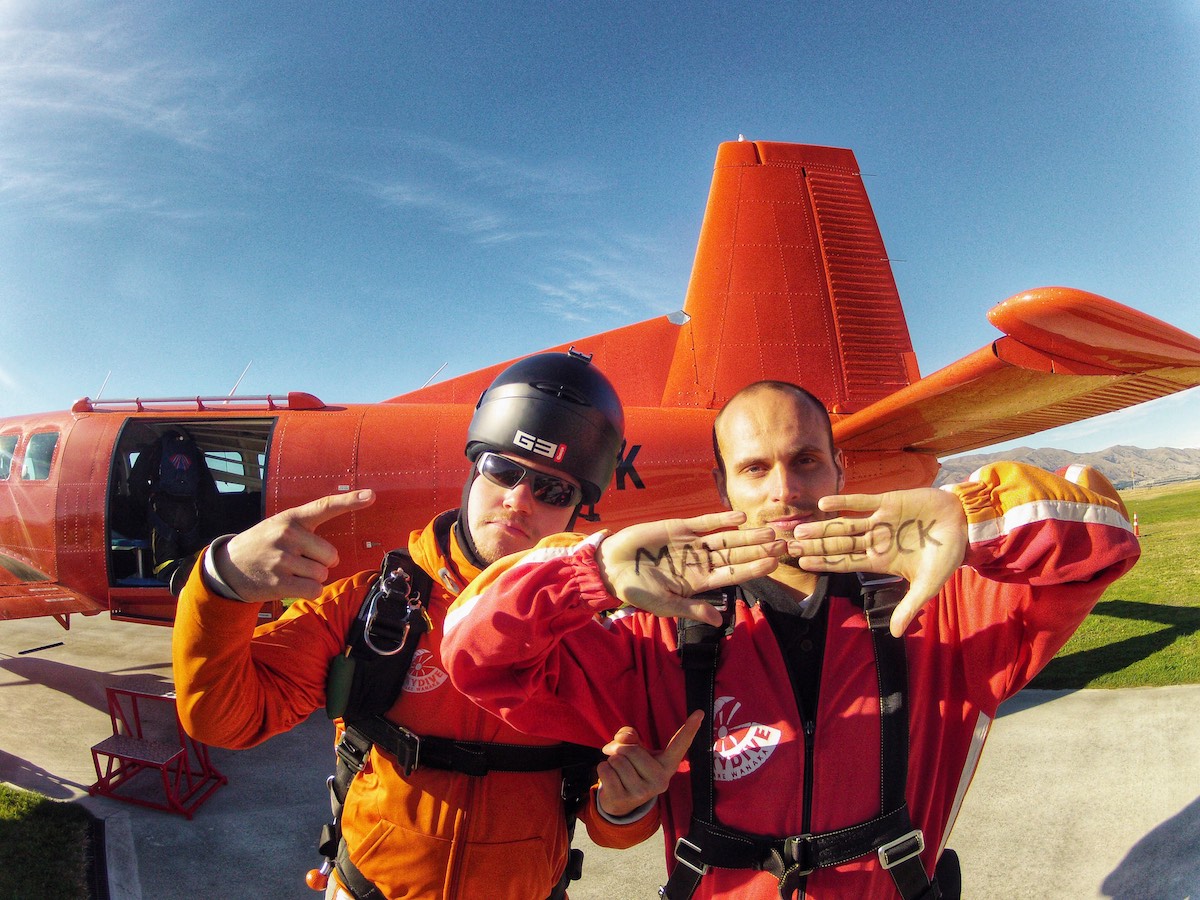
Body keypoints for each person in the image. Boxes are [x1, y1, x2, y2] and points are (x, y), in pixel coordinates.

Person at [441, 380, 1142, 899]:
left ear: (842, 471)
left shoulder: (938, 602)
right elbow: (476, 654)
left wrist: (974, 520)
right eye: (754, 469)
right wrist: (585, 572)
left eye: (806, 461)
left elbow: (1107, 541)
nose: (785, 490)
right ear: (724, 488)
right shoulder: (651, 633)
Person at [172, 351, 694, 900]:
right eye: (504, 470)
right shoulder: (368, 607)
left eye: (553, 490)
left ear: (576, 510)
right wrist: (223, 583)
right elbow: (222, 720)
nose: (519, 499)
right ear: (473, 468)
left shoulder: (598, 640)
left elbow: (610, 820)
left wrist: (623, 806)